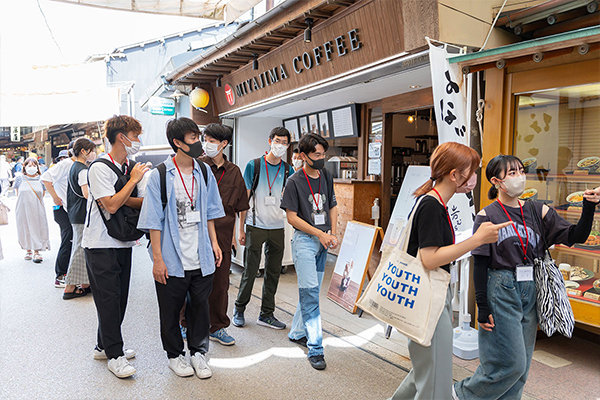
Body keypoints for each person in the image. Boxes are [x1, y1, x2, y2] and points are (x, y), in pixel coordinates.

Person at [453, 155, 599, 400]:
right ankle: (462, 393)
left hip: (530, 288)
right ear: (496, 181)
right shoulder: (486, 215)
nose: (519, 176)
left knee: (523, 369)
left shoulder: (536, 210)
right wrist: (482, 304)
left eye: (520, 170)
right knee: (511, 364)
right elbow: (480, 262)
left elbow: (576, 236)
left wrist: (589, 206)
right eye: (511, 173)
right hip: (500, 287)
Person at [388, 142, 511, 399]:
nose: (475, 177)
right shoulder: (432, 205)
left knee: (426, 371)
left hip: (431, 294)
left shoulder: (434, 201)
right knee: (436, 382)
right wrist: (477, 240)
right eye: (472, 170)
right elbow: (430, 258)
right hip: (428, 297)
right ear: (454, 175)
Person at [138, 117, 224, 379]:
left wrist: (214, 243)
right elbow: (154, 221)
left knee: (200, 307)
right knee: (170, 310)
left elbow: (209, 211)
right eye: (192, 138)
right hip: (172, 257)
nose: (198, 143)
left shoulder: (204, 171)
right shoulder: (160, 176)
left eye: (198, 137)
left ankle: (199, 353)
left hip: (201, 255)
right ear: (177, 143)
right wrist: (157, 260)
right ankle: (175, 355)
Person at [82, 115, 149, 379]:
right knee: (108, 300)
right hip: (99, 244)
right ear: (122, 137)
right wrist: (132, 183)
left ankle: (103, 345)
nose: (138, 141)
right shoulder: (99, 167)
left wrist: (130, 190)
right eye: (136, 136)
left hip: (122, 241)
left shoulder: (128, 167)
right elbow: (109, 204)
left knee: (119, 298)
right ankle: (115, 355)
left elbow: (142, 202)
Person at [280, 133, 339, 370]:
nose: (322, 158)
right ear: (303, 156)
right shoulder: (294, 181)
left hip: (323, 240)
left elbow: (332, 205)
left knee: (310, 291)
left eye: (323, 154)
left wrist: (332, 233)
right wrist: (319, 234)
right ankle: (316, 348)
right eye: (317, 154)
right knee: (311, 294)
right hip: (305, 241)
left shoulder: (325, 174)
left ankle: (297, 332)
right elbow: (292, 217)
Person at [233, 127, 294, 330]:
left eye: (284, 143)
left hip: (277, 226)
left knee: (273, 272)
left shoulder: (288, 169)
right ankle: (239, 309)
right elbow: (244, 199)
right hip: (255, 225)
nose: (280, 146)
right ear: (269, 141)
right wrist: (240, 229)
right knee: (250, 270)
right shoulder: (254, 165)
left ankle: (266, 314)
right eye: (277, 141)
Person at [199, 123, 249, 346]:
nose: (206, 144)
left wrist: (239, 231)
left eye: (211, 140)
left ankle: (217, 327)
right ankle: (185, 324)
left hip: (222, 235)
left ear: (223, 144)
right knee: (194, 282)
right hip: (196, 235)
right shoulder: (198, 166)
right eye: (205, 139)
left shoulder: (234, 171)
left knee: (220, 285)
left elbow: (241, 206)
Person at [63, 138, 96, 300]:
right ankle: (70, 286)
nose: (94, 153)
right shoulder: (82, 169)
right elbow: (86, 193)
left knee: (81, 248)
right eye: (92, 150)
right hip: (82, 213)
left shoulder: (74, 167)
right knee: (80, 249)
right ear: (84, 151)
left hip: (75, 213)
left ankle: (84, 283)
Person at [41, 147, 74, 288]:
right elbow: (45, 178)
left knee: (71, 241)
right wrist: (55, 197)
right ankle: (60, 275)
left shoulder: (76, 165)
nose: (62, 159)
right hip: (62, 209)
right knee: (68, 239)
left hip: (69, 209)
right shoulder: (64, 165)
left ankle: (69, 274)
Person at [14, 158, 50, 263]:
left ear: (38, 167)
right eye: (29, 165)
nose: (32, 167)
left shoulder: (41, 179)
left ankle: (37, 251)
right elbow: (17, 193)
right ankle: (28, 250)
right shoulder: (19, 179)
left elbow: (42, 194)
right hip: (22, 208)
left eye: (34, 165)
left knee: (38, 227)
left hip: (37, 208)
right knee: (24, 227)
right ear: (24, 167)